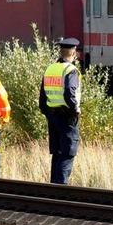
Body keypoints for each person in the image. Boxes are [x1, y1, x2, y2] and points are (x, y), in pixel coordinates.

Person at [39, 38, 81, 185]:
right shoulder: (71, 70)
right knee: (68, 152)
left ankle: (54, 188)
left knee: (57, 153)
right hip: (67, 117)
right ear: (74, 52)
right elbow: (70, 92)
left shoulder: (50, 69)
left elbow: (42, 98)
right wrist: (75, 110)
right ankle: (62, 188)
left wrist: (49, 113)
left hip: (53, 116)